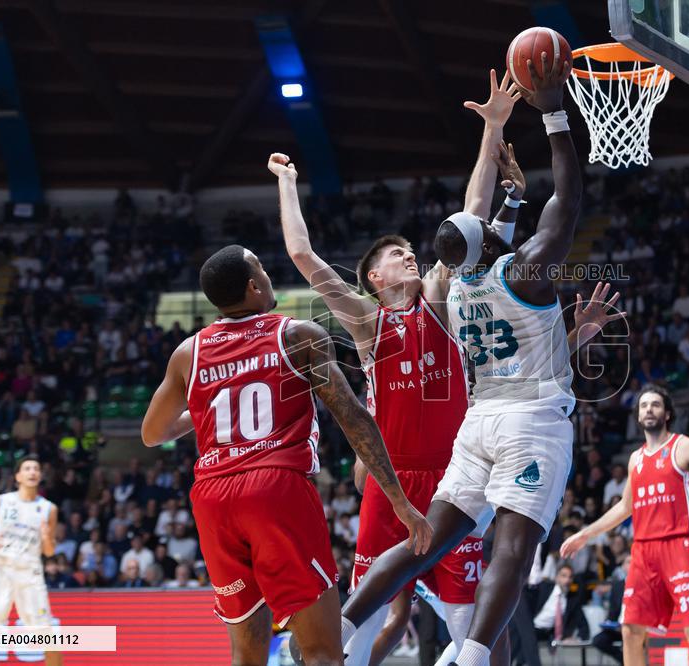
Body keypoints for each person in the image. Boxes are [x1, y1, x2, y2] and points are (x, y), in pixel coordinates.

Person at [337, 53, 607, 666]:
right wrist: (554, 113)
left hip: (477, 424)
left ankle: (346, 618)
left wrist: (503, 169)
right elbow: (568, 195)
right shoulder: (526, 272)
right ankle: (475, 656)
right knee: (513, 547)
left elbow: (481, 220)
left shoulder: (455, 291)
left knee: (427, 538)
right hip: (531, 422)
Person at [270, 69, 520, 665]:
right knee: (357, 622)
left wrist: (491, 132)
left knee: (473, 631)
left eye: (410, 249)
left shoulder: (439, 295)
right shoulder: (366, 322)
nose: (410, 252)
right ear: (375, 278)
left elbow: (473, 211)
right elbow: (303, 255)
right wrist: (287, 181)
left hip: (453, 481)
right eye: (394, 253)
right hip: (389, 484)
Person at [141, 245, 431, 666]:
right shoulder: (299, 335)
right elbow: (354, 419)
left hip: (213, 498)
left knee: (247, 654)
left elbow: (154, 433)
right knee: (322, 653)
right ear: (254, 287)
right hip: (275, 488)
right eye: (261, 267)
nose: (269, 274)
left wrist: (203, 407)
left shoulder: (189, 353)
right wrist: (400, 500)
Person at [560, 385, 689, 666]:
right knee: (630, 630)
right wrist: (586, 533)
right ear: (638, 416)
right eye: (644, 406)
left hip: (679, 546)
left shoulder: (684, 446)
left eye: (655, 405)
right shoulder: (635, 459)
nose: (649, 410)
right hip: (643, 551)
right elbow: (624, 508)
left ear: (667, 413)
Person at [0, 455, 61, 666]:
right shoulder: (1, 501)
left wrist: (45, 537)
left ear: (40, 476)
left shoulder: (49, 508)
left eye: (36, 468)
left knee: (47, 634)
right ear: (18, 476)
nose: (32, 471)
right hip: (0, 569)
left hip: (29, 572)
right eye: (27, 468)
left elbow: (49, 551)